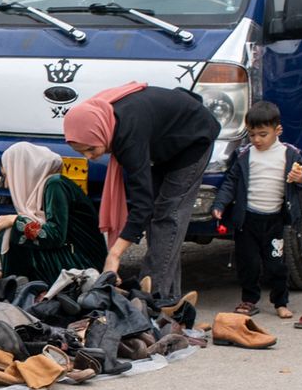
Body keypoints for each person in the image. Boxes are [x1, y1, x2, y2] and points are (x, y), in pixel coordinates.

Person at [60, 84, 220, 307]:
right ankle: (169, 297)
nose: (89, 158)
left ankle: (153, 300)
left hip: (194, 138)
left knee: (168, 215)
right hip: (163, 143)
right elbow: (143, 203)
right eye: (81, 152)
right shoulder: (104, 118)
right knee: (158, 217)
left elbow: (141, 206)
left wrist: (115, 254)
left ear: (100, 132)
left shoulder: (128, 135)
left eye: (91, 150)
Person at [211, 101, 302, 320]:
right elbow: (231, 182)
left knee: (276, 265)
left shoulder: (290, 155)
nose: (257, 140)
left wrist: (300, 178)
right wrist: (219, 205)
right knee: (248, 263)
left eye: (263, 134)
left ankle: (280, 302)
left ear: (277, 130)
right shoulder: (245, 154)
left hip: (274, 221)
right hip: (247, 220)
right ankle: (249, 300)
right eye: (252, 134)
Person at [0, 141, 105, 285]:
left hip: (85, 264)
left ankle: (14, 281)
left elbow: (55, 236)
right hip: (71, 254)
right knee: (10, 229)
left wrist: (16, 221)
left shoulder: (55, 185)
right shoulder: (46, 186)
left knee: (10, 230)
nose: (7, 184)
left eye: (7, 175)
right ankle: (13, 278)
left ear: (23, 171)